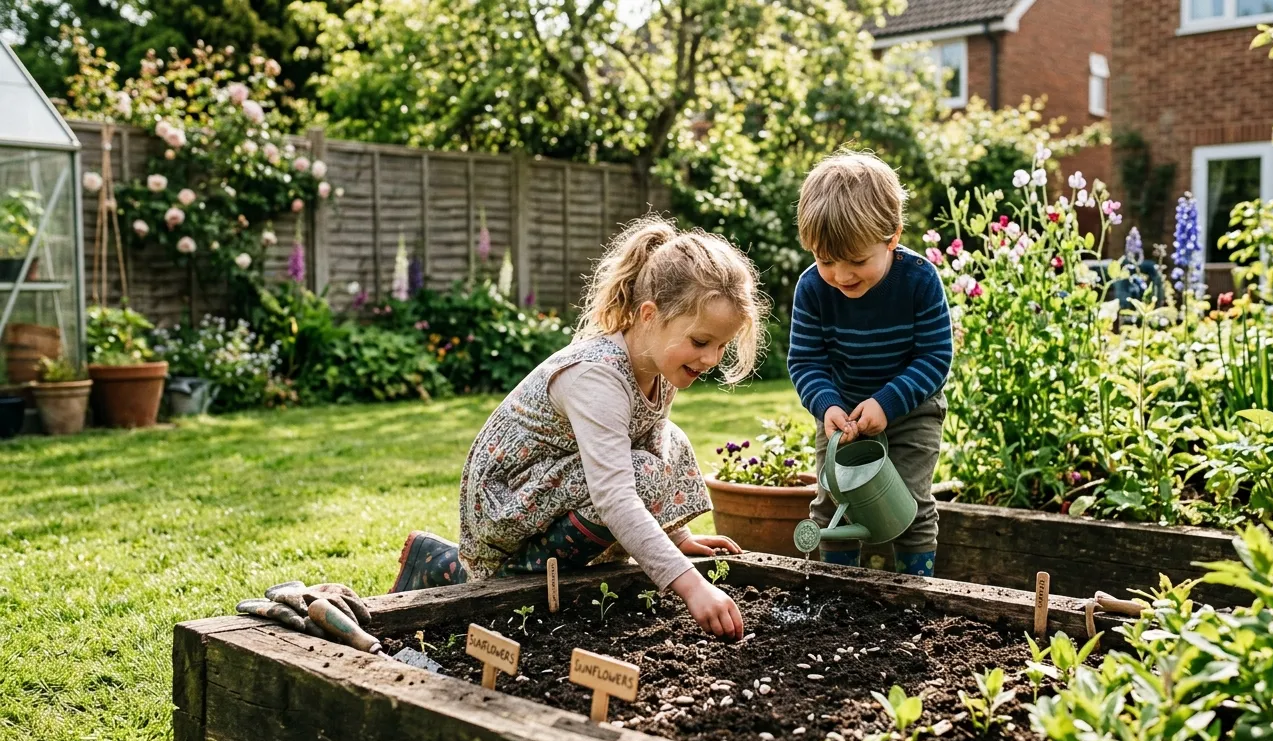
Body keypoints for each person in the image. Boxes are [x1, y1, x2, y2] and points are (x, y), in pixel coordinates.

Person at [392, 215, 769, 640]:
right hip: (506, 495)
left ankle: (456, 565)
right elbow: (614, 495)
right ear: (649, 315)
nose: (711, 358)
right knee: (638, 478)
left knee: (669, 444)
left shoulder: (659, 367)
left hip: (554, 482)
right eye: (701, 342)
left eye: (721, 345)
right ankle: (487, 581)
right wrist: (690, 584)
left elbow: (650, 443)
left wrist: (676, 537)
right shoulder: (597, 376)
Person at [787, 150, 953, 576]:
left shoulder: (919, 280)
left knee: (910, 505)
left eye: (857, 261)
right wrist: (826, 405)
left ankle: (917, 589)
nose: (841, 276)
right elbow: (806, 359)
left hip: (912, 412)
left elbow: (935, 356)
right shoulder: (811, 289)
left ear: (892, 237)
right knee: (832, 504)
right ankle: (839, 589)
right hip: (843, 417)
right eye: (826, 261)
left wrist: (887, 404)